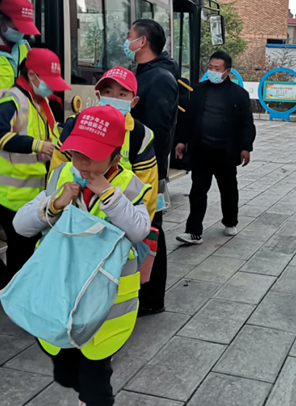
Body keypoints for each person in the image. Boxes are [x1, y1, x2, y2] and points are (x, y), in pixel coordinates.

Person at [13, 106, 151, 406]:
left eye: (93, 155)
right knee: (63, 371)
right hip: (59, 299)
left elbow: (139, 229)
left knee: (96, 377)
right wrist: (55, 203)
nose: (83, 163)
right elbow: (21, 226)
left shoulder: (129, 185)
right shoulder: (62, 176)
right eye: (76, 153)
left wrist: (108, 194)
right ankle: (84, 393)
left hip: (104, 307)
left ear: (115, 156)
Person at [0, 48, 67, 278]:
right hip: (11, 193)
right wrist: (37, 145)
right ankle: (16, 291)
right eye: (48, 80)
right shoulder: (12, 100)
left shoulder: (39, 101)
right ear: (32, 75)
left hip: (31, 191)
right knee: (20, 253)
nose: (51, 87)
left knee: (29, 251)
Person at [54, 66, 159, 221]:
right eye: (108, 92)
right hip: (70, 217)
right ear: (98, 95)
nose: (114, 99)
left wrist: (140, 226)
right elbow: (56, 170)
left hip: (117, 223)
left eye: (122, 94)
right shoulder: (76, 124)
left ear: (134, 101)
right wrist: (55, 207)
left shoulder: (141, 135)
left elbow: (147, 189)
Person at [174, 51, 256, 245]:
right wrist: (181, 141)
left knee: (228, 190)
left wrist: (246, 147)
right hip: (201, 150)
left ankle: (230, 221)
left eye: (217, 69)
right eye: (210, 67)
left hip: (226, 152)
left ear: (227, 71)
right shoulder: (198, 91)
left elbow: (247, 123)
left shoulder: (238, 94)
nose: (212, 71)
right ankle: (193, 231)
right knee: (198, 191)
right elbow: (187, 119)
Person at [128, 19, 179, 316]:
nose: (127, 41)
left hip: (147, 170)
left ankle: (151, 297)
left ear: (142, 41)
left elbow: (158, 131)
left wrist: (152, 173)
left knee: (150, 228)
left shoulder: (159, 78)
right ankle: (141, 291)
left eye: (129, 36)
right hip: (138, 167)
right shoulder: (146, 73)